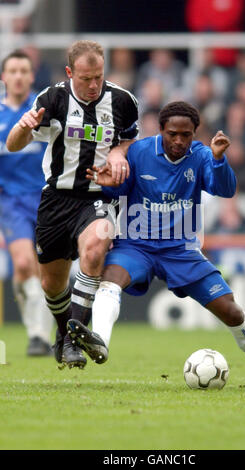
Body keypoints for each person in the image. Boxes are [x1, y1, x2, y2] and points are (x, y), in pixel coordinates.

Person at [68, 101, 245, 390]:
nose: (178, 140)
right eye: (172, 133)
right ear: (161, 130)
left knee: (231, 311)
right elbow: (120, 188)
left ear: (194, 134)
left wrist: (219, 159)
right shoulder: (139, 152)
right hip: (137, 245)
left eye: (185, 135)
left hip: (181, 250)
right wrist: (109, 184)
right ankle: (100, 342)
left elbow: (225, 189)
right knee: (110, 281)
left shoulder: (201, 156)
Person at [6, 40, 139, 369]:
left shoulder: (123, 100)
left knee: (95, 249)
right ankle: (66, 335)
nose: (93, 85)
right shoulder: (52, 99)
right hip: (55, 199)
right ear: (69, 73)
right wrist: (22, 129)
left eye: (98, 77)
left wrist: (120, 152)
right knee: (51, 284)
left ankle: (70, 341)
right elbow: (12, 144)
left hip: (98, 197)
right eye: (85, 78)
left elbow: (130, 137)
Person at [0, 50, 53, 356]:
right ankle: (37, 334)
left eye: (24, 70)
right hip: (10, 200)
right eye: (13, 71)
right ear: (4, 77)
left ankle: (42, 334)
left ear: (32, 76)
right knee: (22, 263)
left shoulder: (45, 109)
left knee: (46, 272)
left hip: (47, 198)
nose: (18, 76)